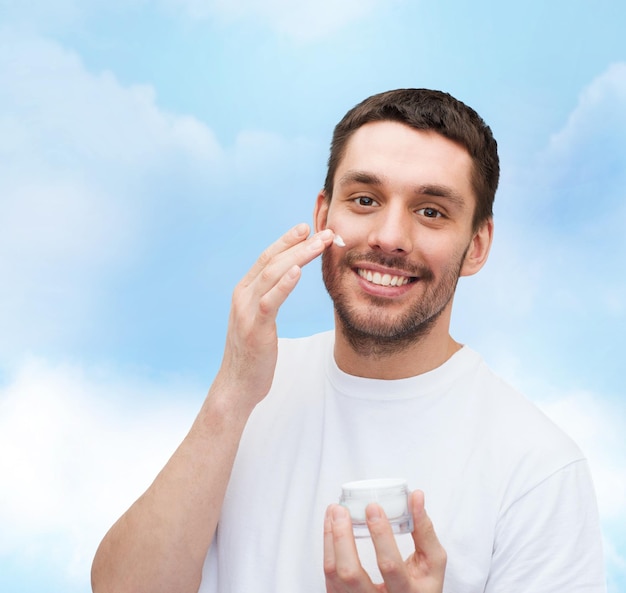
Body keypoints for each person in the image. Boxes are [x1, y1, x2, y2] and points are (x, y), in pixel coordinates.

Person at [91, 89, 606, 593]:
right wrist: (231, 393)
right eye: (364, 200)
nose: (388, 236)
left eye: (431, 211)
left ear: (477, 245)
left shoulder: (539, 469)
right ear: (323, 217)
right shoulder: (251, 390)